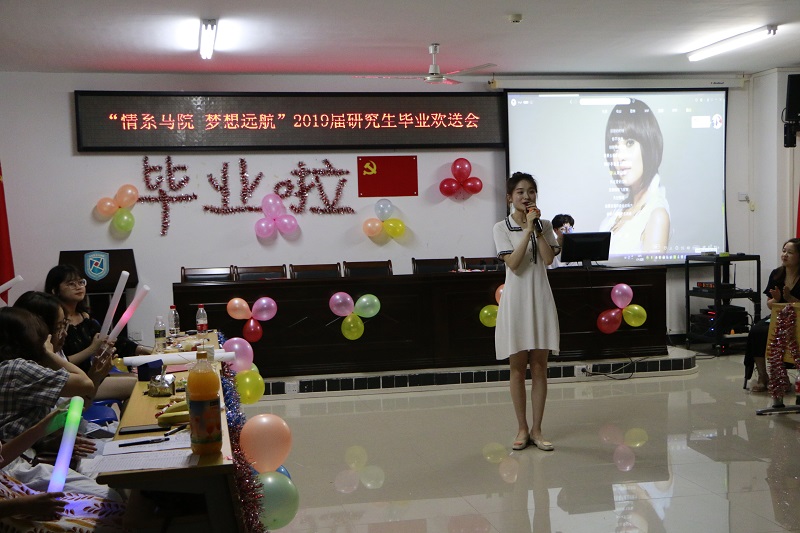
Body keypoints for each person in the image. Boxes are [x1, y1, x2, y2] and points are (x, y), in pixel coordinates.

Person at [493, 172, 560, 451]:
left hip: (540, 298)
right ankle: (521, 428)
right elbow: (514, 263)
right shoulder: (501, 227)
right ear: (510, 197)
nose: (526, 196)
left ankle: (537, 429)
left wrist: (538, 230)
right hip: (516, 301)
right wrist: (527, 231)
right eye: (520, 192)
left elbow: (548, 258)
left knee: (540, 367)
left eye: (531, 191)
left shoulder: (546, 225)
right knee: (518, 369)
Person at [0, 408, 127, 531]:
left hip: (12, 490)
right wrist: (19, 506)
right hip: (12, 511)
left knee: (115, 508)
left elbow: (3, 457)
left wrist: (39, 430)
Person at [45, 265, 142, 401]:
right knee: (137, 384)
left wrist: (144, 350)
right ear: (55, 290)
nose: (78, 287)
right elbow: (59, 361)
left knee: (139, 379)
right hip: (74, 384)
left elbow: (111, 338)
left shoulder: (84, 317)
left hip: (91, 376)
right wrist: (92, 348)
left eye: (81, 282)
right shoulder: (54, 324)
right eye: (71, 284)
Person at [598, 99, 670, 254]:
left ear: (648, 144)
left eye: (629, 143)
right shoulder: (619, 210)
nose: (620, 157)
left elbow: (651, 271)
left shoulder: (657, 215)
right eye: (614, 148)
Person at [745, 238, 800, 392]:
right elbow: (770, 304)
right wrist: (776, 299)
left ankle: (783, 377)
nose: (785, 255)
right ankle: (763, 376)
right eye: (784, 251)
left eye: (790, 252)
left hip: (797, 318)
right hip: (778, 317)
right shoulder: (776, 274)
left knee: (787, 334)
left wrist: (790, 298)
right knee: (757, 331)